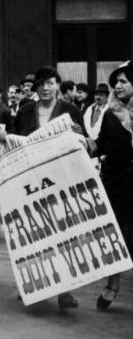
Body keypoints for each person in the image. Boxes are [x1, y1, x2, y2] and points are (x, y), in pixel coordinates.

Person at [12, 66, 84, 310]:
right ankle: (32, 285)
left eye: (50, 83)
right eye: (41, 84)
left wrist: (79, 137)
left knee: (63, 234)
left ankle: (65, 290)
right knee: (33, 235)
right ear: (35, 88)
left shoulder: (70, 110)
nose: (45, 88)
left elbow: (84, 144)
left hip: (61, 181)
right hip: (30, 183)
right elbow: (13, 143)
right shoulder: (24, 113)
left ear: (57, 85)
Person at [84, 61, 133, 310]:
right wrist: (85, 145)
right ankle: (112, 284)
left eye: (124, 81)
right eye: (116, 82)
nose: (118, 86)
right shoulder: (110, 113)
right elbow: (100, 143)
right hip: (117, 185)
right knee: (117, 239)